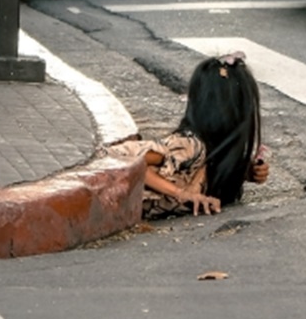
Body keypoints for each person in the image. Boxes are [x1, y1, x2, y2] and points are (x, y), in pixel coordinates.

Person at [104, 52, 270, 218]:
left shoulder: (210, 157)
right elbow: (130, 161)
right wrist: (182, 193)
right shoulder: (189, 146)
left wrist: (244, 172)